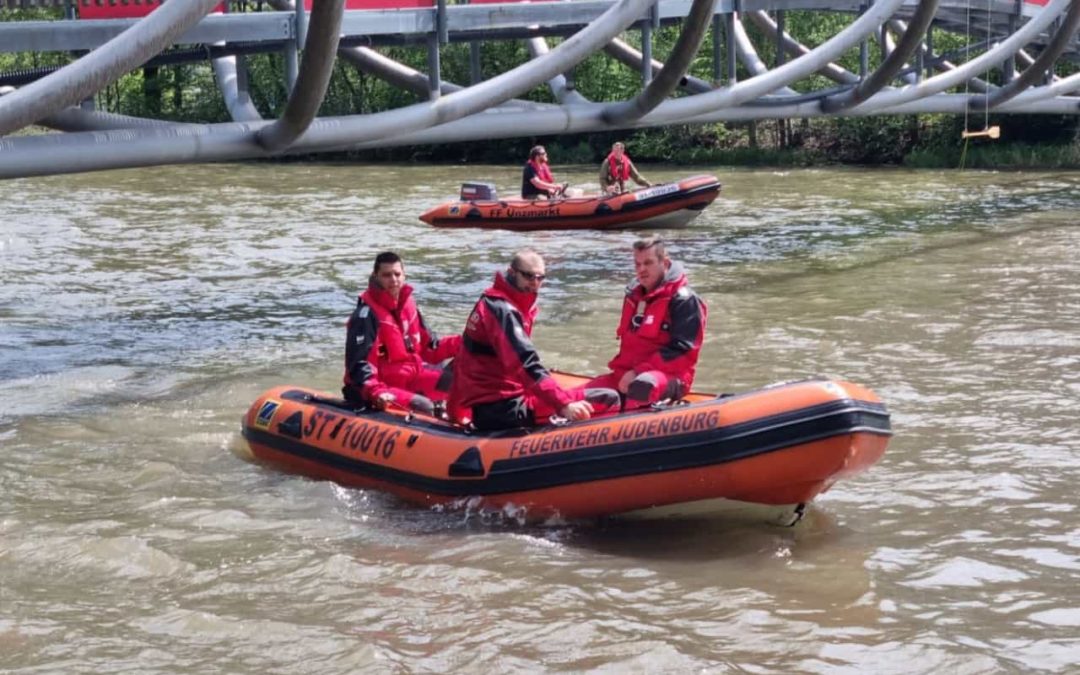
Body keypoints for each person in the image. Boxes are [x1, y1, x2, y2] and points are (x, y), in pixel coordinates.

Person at [449, 249, 619, 430]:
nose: (535, 283)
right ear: (512, 272)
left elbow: (465, 359)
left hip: (499, 401)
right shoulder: (503, 311)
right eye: (529, 276)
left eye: (540, 278)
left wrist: (454, 410)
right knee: (608, 399)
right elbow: (525, 363)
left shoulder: (494, 303)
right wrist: (563, 404)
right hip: (503, 409)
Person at [586, 237, 707, 408]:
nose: (641, 269)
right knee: (569, 398)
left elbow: (682, 352)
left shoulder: (684, 300)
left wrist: (638, 371)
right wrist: (628, 374)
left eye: (648, 263)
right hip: (625, 373)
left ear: (664, 263)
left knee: (643, 384)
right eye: (637, 264)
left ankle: (628, 423)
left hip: (668, 376)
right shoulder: (634, 296)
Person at [343, 252, 462, 415]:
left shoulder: (409, 305)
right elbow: (359, 365)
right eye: (386, 275)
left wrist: (465, 343)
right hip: (381, 389)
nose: (393, 279)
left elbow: (430, 349)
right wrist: (375, 391)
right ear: (375, 276)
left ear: (404, 275)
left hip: (412, 378)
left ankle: (469, 429)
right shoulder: (366, 315)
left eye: (397, 274)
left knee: (462, 386)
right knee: (423, 406)